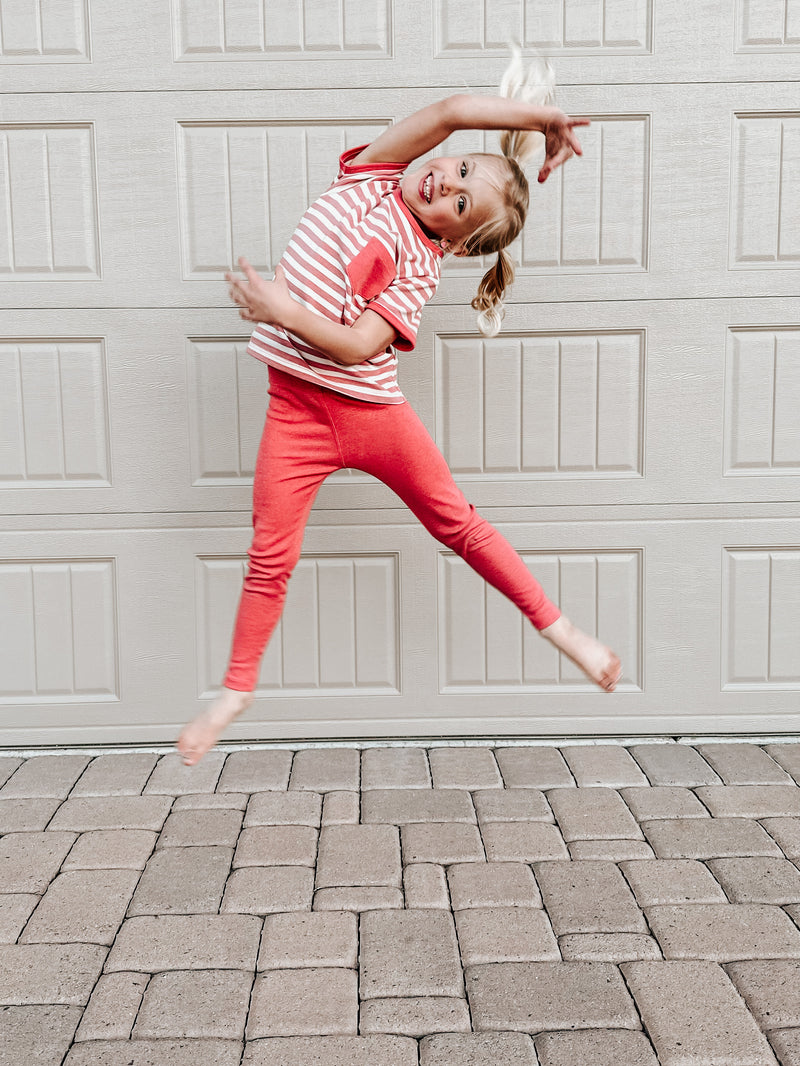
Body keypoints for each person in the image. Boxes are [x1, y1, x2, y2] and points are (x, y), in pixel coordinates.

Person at [178, 56, 621, 766]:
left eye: (461, 203)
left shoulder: (419, 265)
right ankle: (235, 691)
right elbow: (449, 110)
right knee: (270, 555)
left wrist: (283, 309)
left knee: (458, 523)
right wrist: (542, 120)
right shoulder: (372, 174)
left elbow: (358, 347)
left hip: (369, 414)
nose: (447, 183)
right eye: (461, 170)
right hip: (292, 413)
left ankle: (563, 632)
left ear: (452, 238)